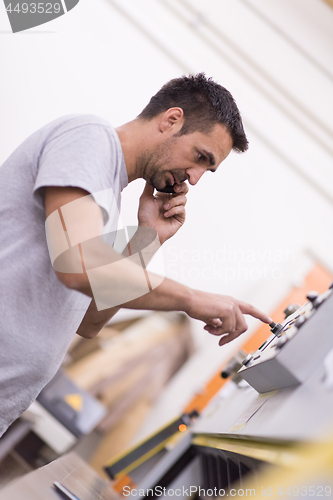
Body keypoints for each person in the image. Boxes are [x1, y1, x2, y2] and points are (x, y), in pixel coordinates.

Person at [0, 73, 271, 438]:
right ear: (171, 120)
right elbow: (77, 265)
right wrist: (190, 298)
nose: (194, 178)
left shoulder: (107, 196)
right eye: (199, 157)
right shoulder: (90, 138)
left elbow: (90, 321)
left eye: (208, 169)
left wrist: (147, 239)